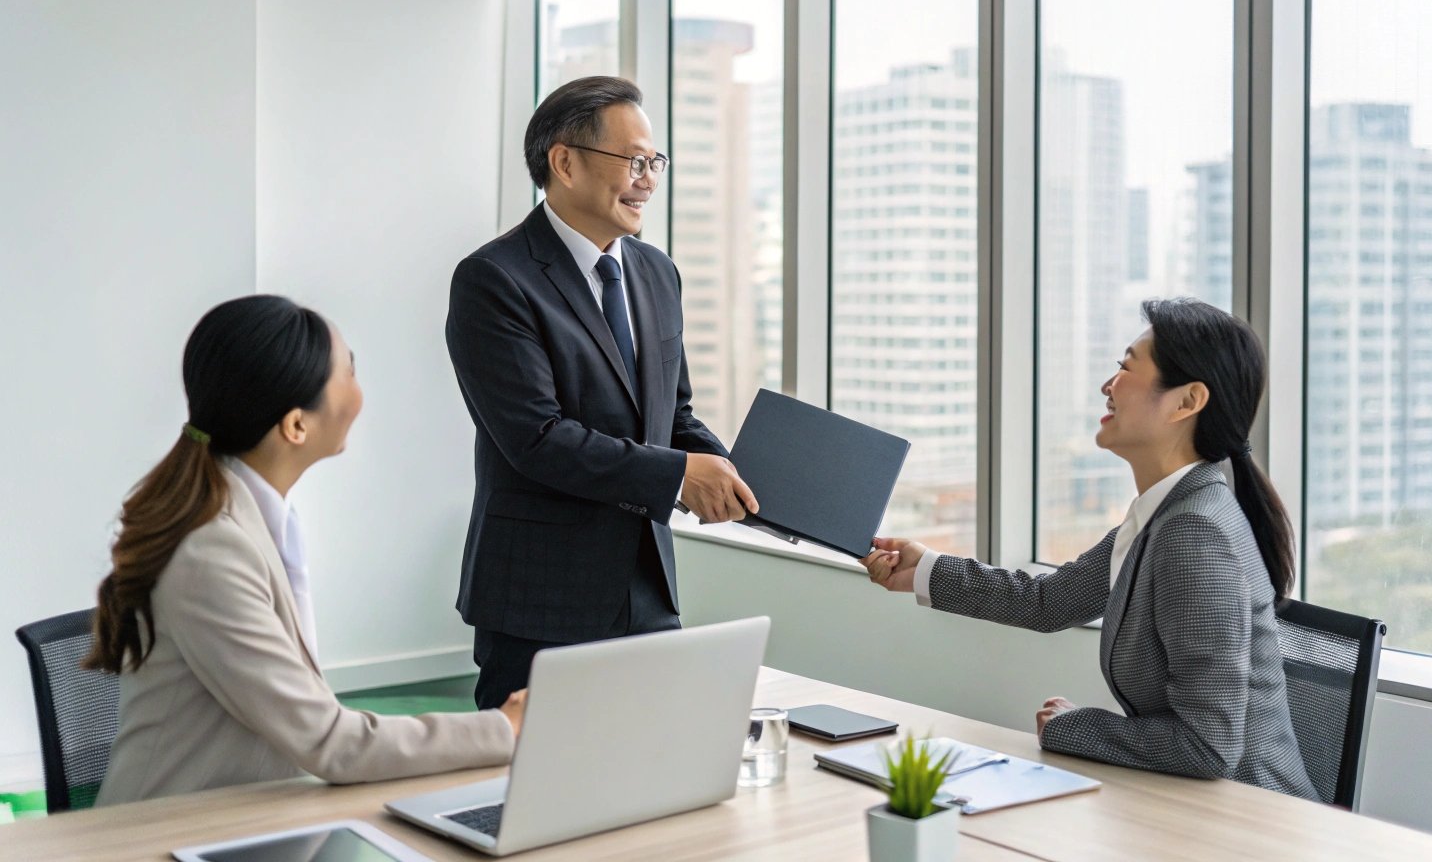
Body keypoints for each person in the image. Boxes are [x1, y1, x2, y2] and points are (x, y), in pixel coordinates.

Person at [862, 298, 1318, 800]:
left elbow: (1206, 746)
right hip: (1190, 802)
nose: (1108, 386)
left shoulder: (1195, 532)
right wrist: (922, 569)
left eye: (1126, 368)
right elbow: (1049, 601)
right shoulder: (1166, 512)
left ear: (1187, 402)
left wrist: (1072, 728)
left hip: (1250, 817)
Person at [88, 295, 523, 805]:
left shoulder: (258, 518)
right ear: (296, 425)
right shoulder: (211, 553)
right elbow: (329, 741)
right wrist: (504, 728)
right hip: (170, 829)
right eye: (349, 372)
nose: (360, 392)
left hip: (255, 812)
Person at [446, 75, 756, 709]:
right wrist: (680, 476)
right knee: (537, 771)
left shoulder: (657, 271)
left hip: (648, 591)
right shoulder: (493, 279)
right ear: (564, 163)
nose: (648, 180)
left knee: (655, 760)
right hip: (539, 599)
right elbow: (538, 439)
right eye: (633, 161)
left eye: (654, 162)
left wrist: (746, 478)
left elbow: (673, 414)